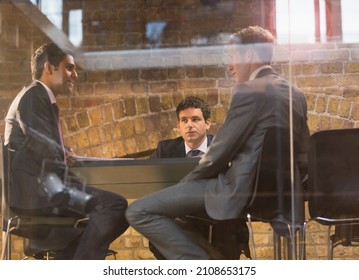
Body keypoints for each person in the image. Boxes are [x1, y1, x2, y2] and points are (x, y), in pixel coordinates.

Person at [125, 26, 310, 259]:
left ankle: (210, 265)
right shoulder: (296, 93)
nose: (229, 66)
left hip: (240, 191)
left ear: (249, 55)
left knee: (138, 211)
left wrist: (182, 189)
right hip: (280, 197)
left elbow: (218, 154)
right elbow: (304, 155)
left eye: (232, 57)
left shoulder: (248, 91)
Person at [4, 42, 129, 259]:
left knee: (97, 217)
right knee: (114, 206)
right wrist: (62, 157)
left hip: (40, 188)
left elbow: (41, 146)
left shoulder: (36, 96)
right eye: (69, 67)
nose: (75, 74)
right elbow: (45, 153)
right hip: (38, 193)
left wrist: (62, 151)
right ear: (49, 68)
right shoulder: (34, 96)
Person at [149, 96, 250, 259]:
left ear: (207, 123)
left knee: (226, 229)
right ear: (178, 126)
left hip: (216, 216)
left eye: (195, 119)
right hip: (179, 215)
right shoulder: (165, 150)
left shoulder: (225, 147)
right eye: (184, 120)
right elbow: (149, 180)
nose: (189, 125)